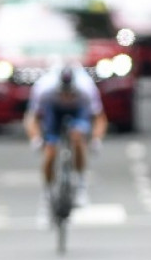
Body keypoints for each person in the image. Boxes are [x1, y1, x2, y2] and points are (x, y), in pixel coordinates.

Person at [24, 60, 107, 210]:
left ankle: (81, 187)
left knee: (77, 137)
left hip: (78, 109)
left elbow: (99, 118)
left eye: (70, 94)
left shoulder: (86, 89)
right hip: (53, 110)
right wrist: (35, 139)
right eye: (63, 93)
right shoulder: (44, 89)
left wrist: (96, 140)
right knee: (50, 150)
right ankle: (47, 193)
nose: (66, 97)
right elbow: (32, 118)